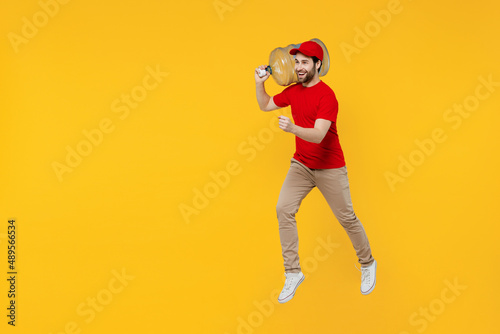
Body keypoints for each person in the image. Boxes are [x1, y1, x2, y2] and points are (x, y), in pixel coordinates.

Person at [254, 40, 377, 303]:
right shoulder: (293, 91)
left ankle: (367, 263)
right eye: (296, 62)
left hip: (330, 167)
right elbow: (265, 105)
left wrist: (293, 129)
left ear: (317, 65)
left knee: (347, 218)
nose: (298, 67)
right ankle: (292, 272)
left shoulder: (327, 95)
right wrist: (259, 83)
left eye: (304, 62)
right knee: (283, 209)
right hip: (302, 165)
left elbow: (319, 135)